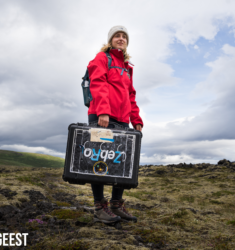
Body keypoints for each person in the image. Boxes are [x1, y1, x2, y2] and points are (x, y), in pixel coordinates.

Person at [86, 25, 143, 223]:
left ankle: (116, 205)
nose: (120, 39)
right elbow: (97, 82)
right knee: (100, 160)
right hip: (102, 116)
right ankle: (99, 206)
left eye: (124, 36)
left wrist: (136, 119)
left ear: (127, 42)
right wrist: (103, 110)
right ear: (110, 41)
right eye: (117, 36)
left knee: (121, 160)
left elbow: (131, 96)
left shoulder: (127, 67)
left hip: (122, 120)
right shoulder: (102, 58)